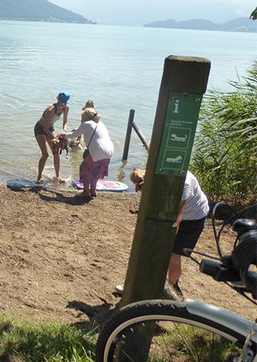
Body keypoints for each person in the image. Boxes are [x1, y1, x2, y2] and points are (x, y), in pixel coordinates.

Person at [129, 168, 210, 301]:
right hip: (176, 212)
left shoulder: (184, 184)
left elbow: (178, 215)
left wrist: (167, 238)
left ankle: (173, 288)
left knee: (173, 254)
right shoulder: (156, 173)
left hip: (193, 218)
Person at [68, 106, 115, 198]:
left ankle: (86, 191)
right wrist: (78, 130)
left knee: (84, 168)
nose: (81, 120)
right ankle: (93, 190)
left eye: (82, 118)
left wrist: (62, 134)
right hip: (109, 151)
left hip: (99, 151)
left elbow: (74, 135)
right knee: (96, 172)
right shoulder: (100, 123)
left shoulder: (86, 123)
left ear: (85, 117)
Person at [34, 91, 71, 183]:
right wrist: (55, 138)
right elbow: (45, 128)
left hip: (50, 128)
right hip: (40, 128)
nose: (63, 105)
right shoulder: (51, 110)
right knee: (45, 154)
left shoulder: (66, 108)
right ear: (58, 99)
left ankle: (58, 176)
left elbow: (65, 122)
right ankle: (39, 176)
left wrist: (64, 130)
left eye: (65, 103)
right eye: (62, 102)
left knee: (56, 152)